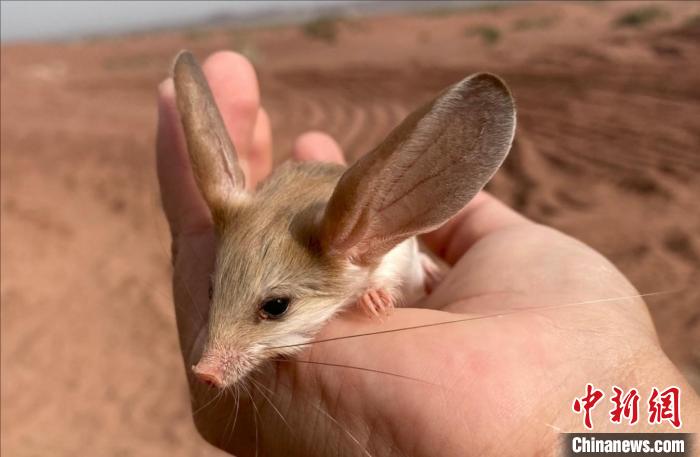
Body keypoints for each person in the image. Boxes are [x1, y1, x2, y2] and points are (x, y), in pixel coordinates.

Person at [156, 51, 699, 456]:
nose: (210, 358)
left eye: (274, 308)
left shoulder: (360, 241)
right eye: (213, 291)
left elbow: (392, 258)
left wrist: (381, 285)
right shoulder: (248, 225)